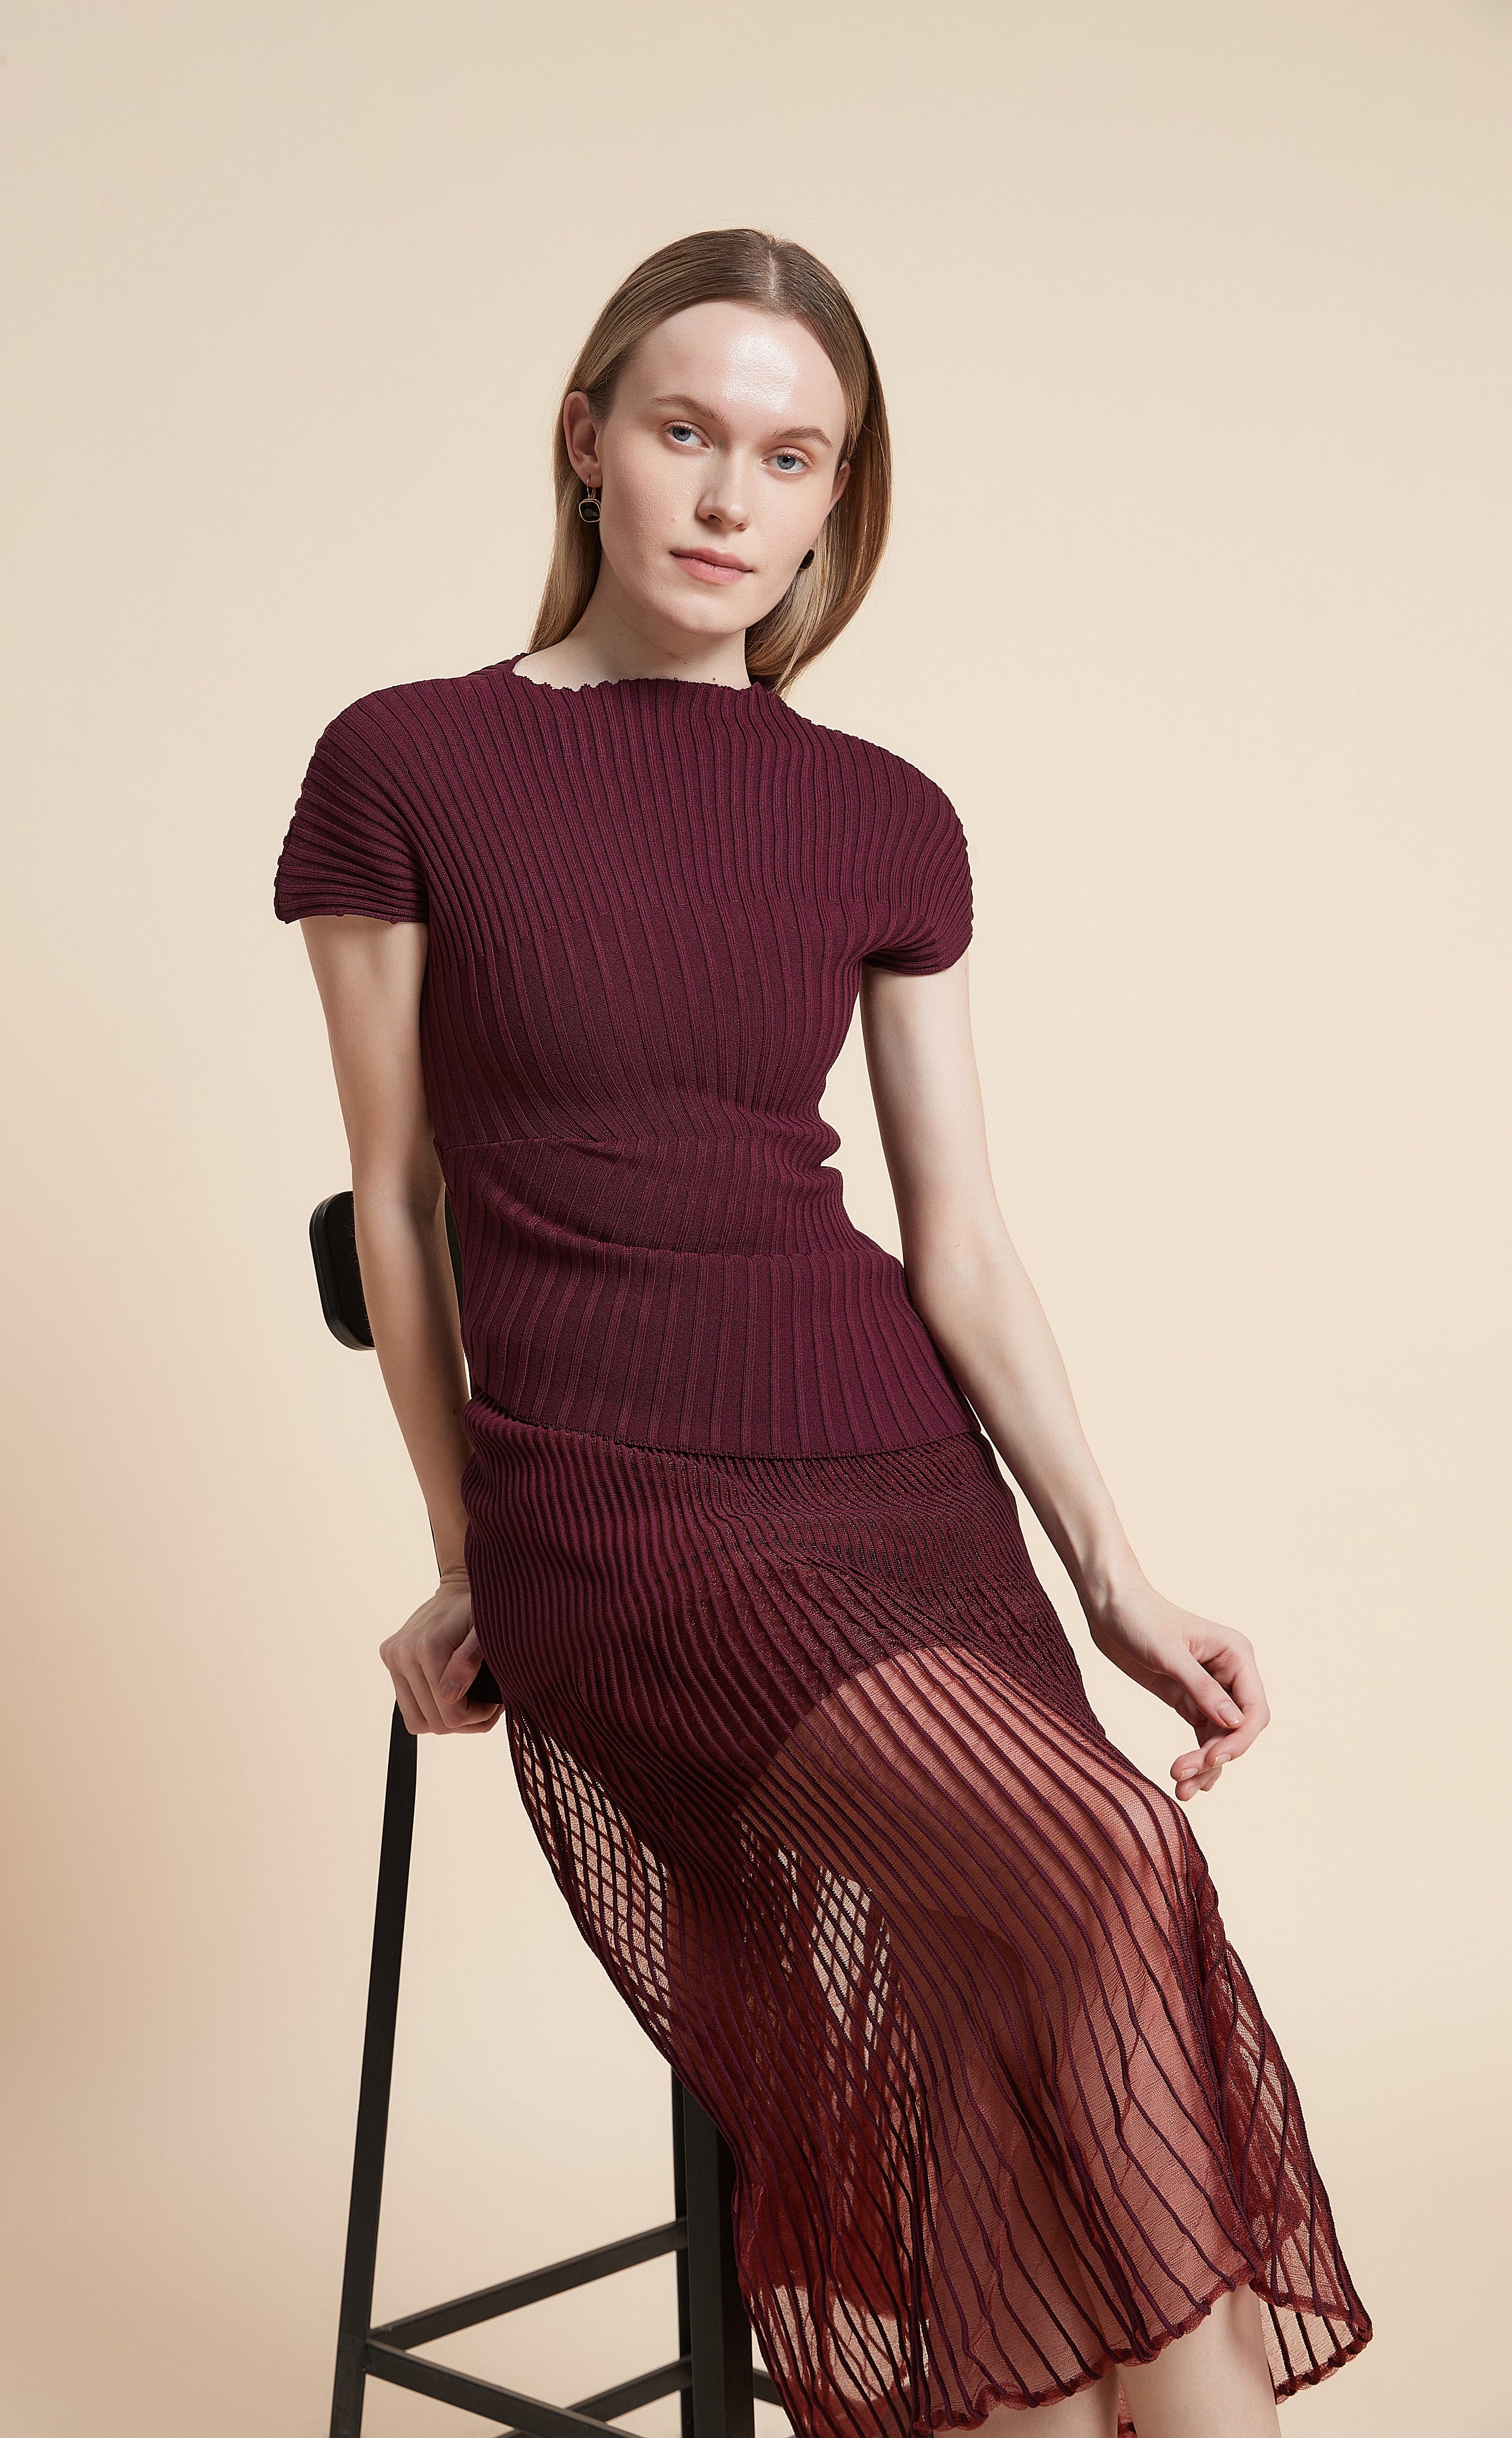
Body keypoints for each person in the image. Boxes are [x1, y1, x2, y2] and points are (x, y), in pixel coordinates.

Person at [274, 228, 1370, 2437]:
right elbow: (395, 1196)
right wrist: (477, 1543)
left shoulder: (885, 812)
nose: (729, 495)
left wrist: (1116, 1571)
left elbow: (959, 1236)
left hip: (896, 1479)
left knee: (1037, 1953)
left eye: (791, 456)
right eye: (686, 430)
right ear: (587, 440)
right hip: (623, 1502)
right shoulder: (406, 762)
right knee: (1108, 1854)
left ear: (836, 499)